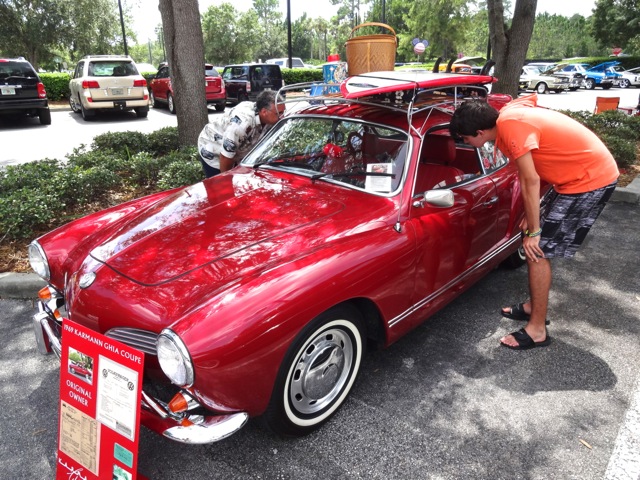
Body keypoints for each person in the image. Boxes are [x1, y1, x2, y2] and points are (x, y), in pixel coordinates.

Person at [449, 94, 619, 350]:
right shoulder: (506, 119)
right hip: (571, 177)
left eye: (465, 139)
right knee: (530, 237)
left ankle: (537, 330)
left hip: (588, 180)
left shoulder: (511, 128)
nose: (465, 143)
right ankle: (532, 307)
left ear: (481, 132)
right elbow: (540, 164)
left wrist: (535, 229)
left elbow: (530, 180)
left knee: (537, 250)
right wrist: (531, 217)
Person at [197, 90, 285, 177]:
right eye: (279, 113)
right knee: (220, 185)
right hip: (213, 149)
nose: (282, 116)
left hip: (238, 151)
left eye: (283, 112)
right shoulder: (241, 125)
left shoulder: (269, 117)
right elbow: (225, 157)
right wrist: (227, 180)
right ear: (264, 112)